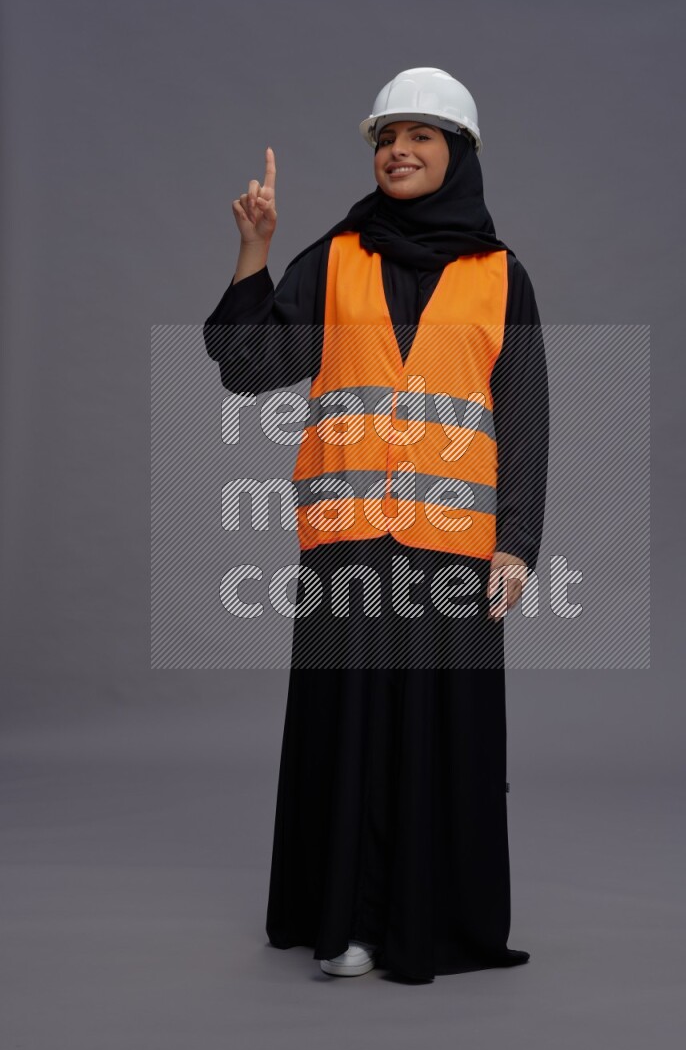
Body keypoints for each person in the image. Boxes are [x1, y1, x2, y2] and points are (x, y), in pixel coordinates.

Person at [204, 67, 550, 983]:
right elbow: (247, 365)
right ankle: (349, 921)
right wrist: (255, 252)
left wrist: (517, 542)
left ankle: (427, 925)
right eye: (385, 136)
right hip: (349, 543)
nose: (397, 149)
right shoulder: (336, 256)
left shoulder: (501, 275)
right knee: (349, 730)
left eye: (420, 136)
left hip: (455, 550)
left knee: (442, 735)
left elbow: (522, 413)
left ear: (459, 153)